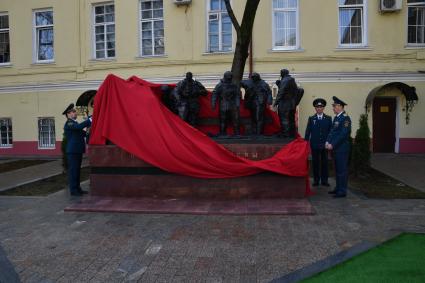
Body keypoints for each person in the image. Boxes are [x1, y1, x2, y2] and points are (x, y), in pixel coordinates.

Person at [63, 103, 92, 196]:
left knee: (77, 171)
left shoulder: (75, 123)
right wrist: (89, 120)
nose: (75, 113)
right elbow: (79, 127)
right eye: (73, 112)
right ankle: (73, 190)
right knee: (73, 171)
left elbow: (84, 134)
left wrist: (89, 130)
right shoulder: (69, 123)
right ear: (68, 114)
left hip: (77, 150)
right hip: (73, 151)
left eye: (75, 111)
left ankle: (78, 189)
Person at [326, 96, 351, 198]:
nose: (333, 108)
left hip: (341, 149)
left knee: (342, 170)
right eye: (333, 106)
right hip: (335, 149)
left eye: (334, 106)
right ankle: (338, 188)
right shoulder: (337, 118)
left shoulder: (345, 119)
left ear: (340, 106)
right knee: (337, 170)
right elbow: (332, 132)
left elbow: (343, 134)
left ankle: (342, 191)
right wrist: (327, 141)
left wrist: (333, 144)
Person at [304, 98, 332, 187]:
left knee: (325, 163)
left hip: (325, 145)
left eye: (321, 107)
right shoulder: (312, 119)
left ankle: (324, 180)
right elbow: (308, 131)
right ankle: (316, 180)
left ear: (323, 108)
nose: (319, 109)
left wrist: (329, 142)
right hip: (314, 145)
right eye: (317, 107)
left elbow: (330, 132)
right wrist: (306, 142)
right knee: (315, 163)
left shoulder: (328, 118)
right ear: (315, 108)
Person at [274, 69, 304, 138]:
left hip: (285, 103)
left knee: (284, 118)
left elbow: (281, 92)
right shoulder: (291, 80)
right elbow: (289, 91)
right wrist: (279, 84)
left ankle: (285, 134)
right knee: (290, 119)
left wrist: (275, 103)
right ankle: (291, 134)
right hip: (291, 104)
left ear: (282, 73)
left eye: (280, 73)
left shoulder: (285, 80)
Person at [211, 71, 241, 136]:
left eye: (230, 78)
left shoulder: (234, 85)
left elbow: (237, 95)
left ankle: (237, 133)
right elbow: (215, 94)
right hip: (223, 104)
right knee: (223, 119)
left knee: (235, 119)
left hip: (233, 105)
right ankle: (223, 133)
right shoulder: (220, 85)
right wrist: (213, 103)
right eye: (228, 78)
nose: (229, 79)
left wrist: (237, 103)